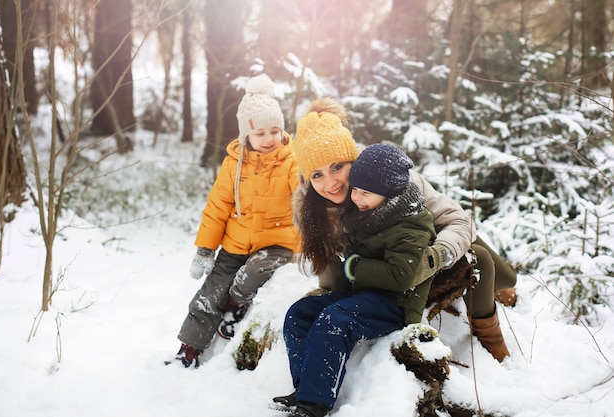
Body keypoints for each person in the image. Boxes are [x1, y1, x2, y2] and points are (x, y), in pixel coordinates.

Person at [272, 98, 517, 414]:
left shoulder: (392, 182)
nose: (330, 183)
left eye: (337, 167)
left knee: (485, 260)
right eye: (317, 175)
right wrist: (333, 291)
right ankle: (306, 392)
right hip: (377, 277)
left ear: (354, 161)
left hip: (421, 256)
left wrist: (434, 257)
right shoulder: (312, 210)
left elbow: (458, 221)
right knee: (306, 312)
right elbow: (332, 271)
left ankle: (502, 302)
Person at [274, 141, 436, 417]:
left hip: (394, 303)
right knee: (299, 313)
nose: (356, 197)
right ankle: (305, 388)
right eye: (356, 190)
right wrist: (334, 291)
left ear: (389, 193)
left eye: (365, 193)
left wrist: (354, 267)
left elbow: (400, 277)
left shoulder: (410, 224)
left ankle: (315, 404)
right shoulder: (367, 213)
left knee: (335, 320)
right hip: (363, 295)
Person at [170, 74, 301, 368]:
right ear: (246, 136)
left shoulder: (291, 161)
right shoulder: (233, 164)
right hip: (235, 243)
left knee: (251, 274)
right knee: (210, 291)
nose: (269, 139)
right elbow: (217, 207)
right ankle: (188, 349)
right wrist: (206, 248)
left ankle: (235, 307)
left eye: (274, 131)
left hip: (278, 242)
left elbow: (304, 200)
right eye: (261, 133)